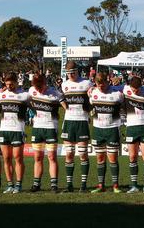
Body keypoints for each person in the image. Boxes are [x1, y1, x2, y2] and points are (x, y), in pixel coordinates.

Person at [28, 73, 67, 193]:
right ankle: (36, 184)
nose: (38, 90)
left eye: (41, 87)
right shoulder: (31, 90)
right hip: (37, 128)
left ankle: (54, 185)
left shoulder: (55, 93)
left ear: (45, 83)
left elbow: (67, 107)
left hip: (51, 128)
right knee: (37, 157)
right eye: (37, 87)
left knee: (51, 157)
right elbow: (25, 100)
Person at [60, 61, 94, 192]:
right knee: (69, 154)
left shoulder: (86, 83)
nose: (71, 75)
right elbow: (60, 98)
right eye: (68, 73)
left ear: (77, 71)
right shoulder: (64, 85)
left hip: (82, 121)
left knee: (83, 155)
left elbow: (93, 99)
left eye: (73, 72)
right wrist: (66, 108)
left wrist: (91, 110)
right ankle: (69, 185)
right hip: (69, 122)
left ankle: (83, 185)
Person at [89, 72, 124, 193]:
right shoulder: (92, 93)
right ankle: (100, 185)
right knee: (100, 158)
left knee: (113, 158)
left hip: (113, 128)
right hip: (98, 129)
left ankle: (115, 185)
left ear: (107, 81)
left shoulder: (117, 93)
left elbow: (127, 90)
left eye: (102, 85)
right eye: (98, 85)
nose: (100, 87)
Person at [0, 73, 29, 194]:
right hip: (4, 130)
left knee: (18, 158)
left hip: (17, 130)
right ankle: (10, 185)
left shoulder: (24, 95)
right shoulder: (1, 95)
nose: (9, 86)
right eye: (7, 84)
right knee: (6, 158)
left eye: (11, 84)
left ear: (16, 82)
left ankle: (19, 185)